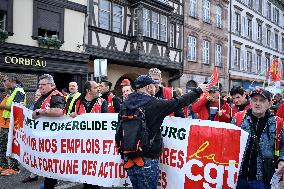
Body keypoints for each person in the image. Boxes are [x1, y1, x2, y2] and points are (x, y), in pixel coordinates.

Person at [118, 75, 207, 189]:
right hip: (146, 161)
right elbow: (178, 102)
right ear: (149, 87)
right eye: (154, 86)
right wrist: (198, 90)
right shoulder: (153, 103)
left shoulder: (125, 103)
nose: (156, 88)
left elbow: (119, 131)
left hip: (129, 160)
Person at [233, 88, 284, 189]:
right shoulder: (238, 118)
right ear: (250, 102)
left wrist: (282, 160)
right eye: (255, 100)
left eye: (262, 100)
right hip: (238, 177)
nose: (257, 103)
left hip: (262, 180)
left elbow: (283, 145)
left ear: (269, 104)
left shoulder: (278, 123)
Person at [69, 81, 107, 189]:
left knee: (96, 167)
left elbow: (106, 120)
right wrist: (72, 115)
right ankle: (86, 185)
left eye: (99, 87)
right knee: (84, 165)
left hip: (96, 141)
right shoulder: (78, 102)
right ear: (88, 90)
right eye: (95, 88)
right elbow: (70, 116)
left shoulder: (102, 102)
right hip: (82, 141)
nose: (98, 89)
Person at [33, 74, 65, 189]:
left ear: (51, 85)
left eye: (43, 85)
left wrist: (40, 112)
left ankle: (49, 185)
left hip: (53, 137)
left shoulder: (56, 96)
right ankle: (48, 183)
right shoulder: (43, 96)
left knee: (51, 162)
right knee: (45, 162)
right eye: (39, 85)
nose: (40, 87)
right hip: (43, 136)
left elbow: (58, 111)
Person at [0, 74, 26, 176]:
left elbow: (17, 108)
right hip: (4, 123)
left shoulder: (19, 91)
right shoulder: (10, 91)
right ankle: (4, 165)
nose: (3, 83)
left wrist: (2, 106)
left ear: (11, 80)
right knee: (3, 145)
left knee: (11, 146)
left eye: (4, 80)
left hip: (11, 124)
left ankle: (14, 168)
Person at [22, 89, 41, 183]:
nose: (36, 97)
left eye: (38, 95)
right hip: (33, 137)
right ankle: (33, 175)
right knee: (34, 156)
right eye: (35, 95)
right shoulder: (32, 106)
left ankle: (51, 178)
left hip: (42, 138)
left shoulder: (44, 107)